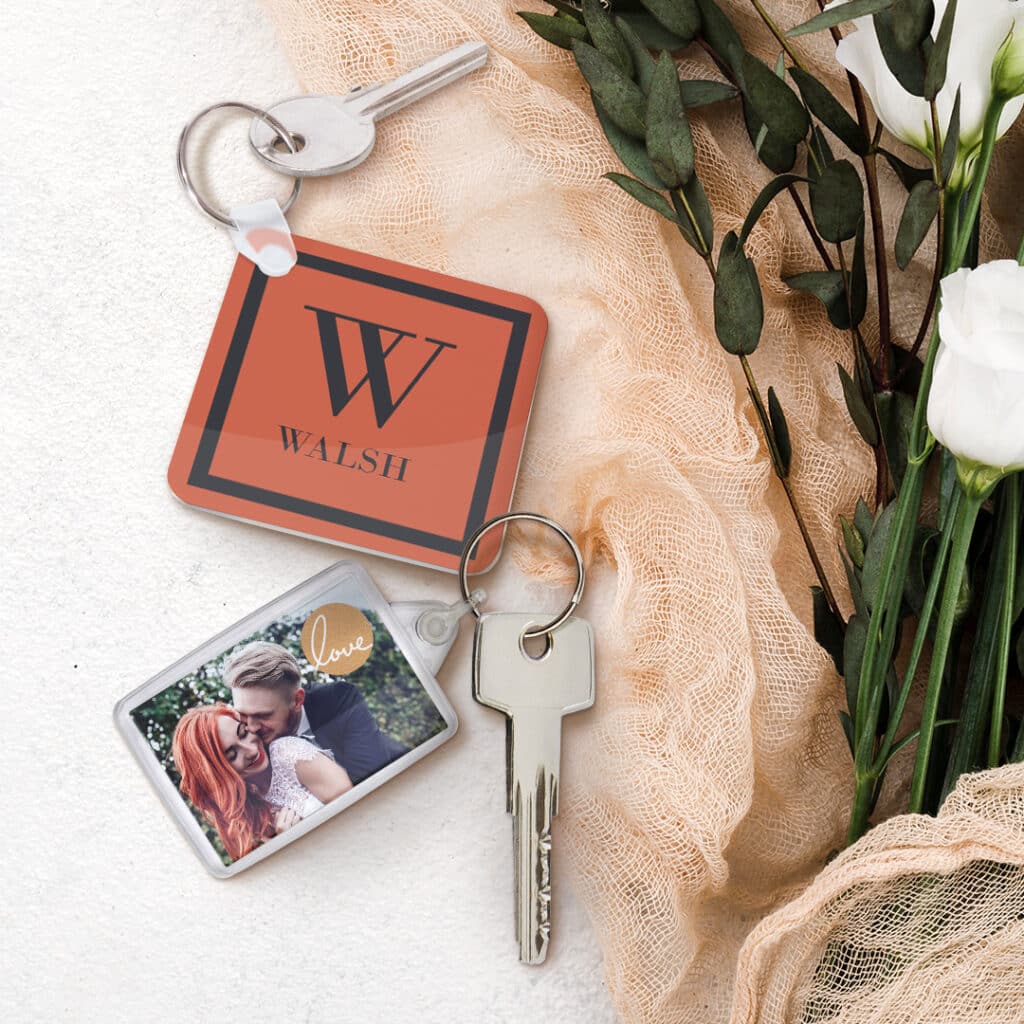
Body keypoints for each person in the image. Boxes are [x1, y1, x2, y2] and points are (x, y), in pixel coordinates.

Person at [172, 703, 352, 861]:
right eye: (232, 755)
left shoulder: (287, 753)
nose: (250, 750)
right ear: (217, 774)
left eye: (243, 733)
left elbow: (354, 806)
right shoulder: (246, 813)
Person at [225, 641, 408, 785]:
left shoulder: (337, 700)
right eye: (242, 714)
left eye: (263, 715)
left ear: (297, 700)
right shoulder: (247, 744)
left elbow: (370, 778)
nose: (251, 727)